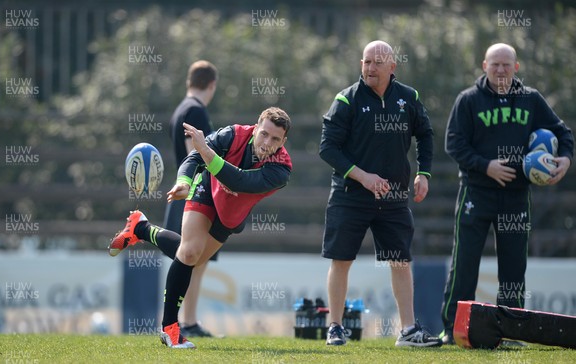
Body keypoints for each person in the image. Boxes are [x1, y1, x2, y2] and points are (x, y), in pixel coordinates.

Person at [110, 107, 292, 348]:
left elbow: (240, 180)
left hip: (230, 216)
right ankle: (170, 330)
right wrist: (184, 182)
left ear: (283, 141)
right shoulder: (232, 135)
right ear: (256, 127)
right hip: (207, 188)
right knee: (189, 252)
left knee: (191, 260)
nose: (267, 142)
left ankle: (140, 228)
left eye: (275, 139)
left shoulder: (281, 169)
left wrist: (205, 151)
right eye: (264, 134)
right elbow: (194, 158)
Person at [440, 43, 574, 345]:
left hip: (516, 196)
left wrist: (565, 158)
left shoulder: (531, 100)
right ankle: (452, 330)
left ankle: (511, 332)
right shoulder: (468, 100)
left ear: (516, 68)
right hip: (476, 192)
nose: (500, 69)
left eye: (506, 65)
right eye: (495, 64)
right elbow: (454, 144)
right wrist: (486, 166)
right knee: (464, 265)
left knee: (514, 268)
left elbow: (563, 133)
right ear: (484, 65)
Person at [319, 40, 442, 347]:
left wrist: (424, 174)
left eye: (377, 62)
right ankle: (335, 326)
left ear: (392, 67)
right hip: (350, 194)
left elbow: (425, 135)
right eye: (366, 62)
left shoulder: (408, 98)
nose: (370, 68)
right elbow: (327, 148)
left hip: (394, 197)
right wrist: (364, 177)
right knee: (341, 259)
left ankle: (408, 331)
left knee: (400, 260)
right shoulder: (346, 100)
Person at [164, 60, 217, 337]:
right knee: (192, 257)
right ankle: (187, 321)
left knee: (194, 259)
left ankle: (189, 321)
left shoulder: (180, 109)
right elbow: (194, 154)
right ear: (212, 85)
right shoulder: (195, 110)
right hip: (194, 194)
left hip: (185, 191)